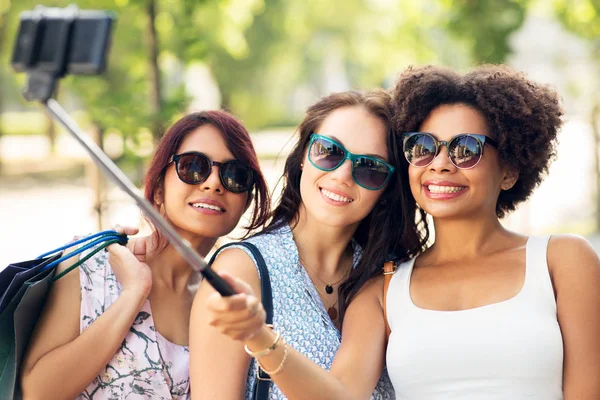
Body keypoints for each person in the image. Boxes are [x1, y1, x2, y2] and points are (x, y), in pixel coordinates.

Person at [203, 65, 600, 399]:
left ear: (510, 170)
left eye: (466, 149)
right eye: (423, 147)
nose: (441, 164)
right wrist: (260, 337)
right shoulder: (381, 290)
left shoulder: (562, 261)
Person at [189, 90, 428, 399]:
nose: (342, 175)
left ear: (387, 187)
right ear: (303, 155)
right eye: (329, 151)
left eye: (370, 167)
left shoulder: (387, 277)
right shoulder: (243, 269)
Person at [20, 110, 271, 400]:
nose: (213, 183)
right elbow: (37, 392)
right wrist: (135, 292)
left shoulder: (225, 302)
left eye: (235, 175)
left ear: (246, 200)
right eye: (193, 167)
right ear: (159, 187)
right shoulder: (92, 264)